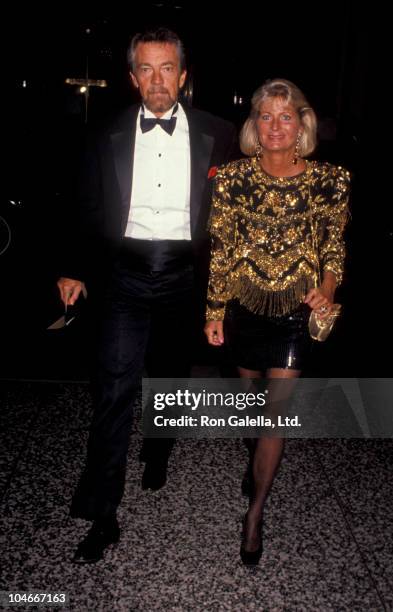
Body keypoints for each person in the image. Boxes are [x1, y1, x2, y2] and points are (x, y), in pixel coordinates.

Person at [57, 27, 236, 563]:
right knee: (113, 390)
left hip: (187, 275)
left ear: (183, 76)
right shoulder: (104, 131)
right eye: (147, 70)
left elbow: (237, 214)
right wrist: (71, 268)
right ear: (133, 77)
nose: (158, 81)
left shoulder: (219, 134)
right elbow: (80, 201)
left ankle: (159, 449)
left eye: (168, 69)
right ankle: (102, 513)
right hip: (124, 276)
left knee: (170, 373)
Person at [204, 78, 350, 565]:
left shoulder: (330, 179)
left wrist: (328, 287)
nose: (275, 125)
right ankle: (256, 467)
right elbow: (222, 252)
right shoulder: (231, 178)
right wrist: (214, 312)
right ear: (254, 124)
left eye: (286, 116)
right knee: (250, 409)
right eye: (266, 115)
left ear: (302, 124)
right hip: (244, 306)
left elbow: (333, 244)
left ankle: (255, 512)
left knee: (274, 415)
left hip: (296, 310)